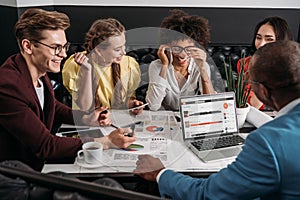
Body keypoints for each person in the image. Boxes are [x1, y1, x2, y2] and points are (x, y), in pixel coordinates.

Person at [134, 40, 300, 199]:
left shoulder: (267, 142)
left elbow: (206, 194)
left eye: (251, 82)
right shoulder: (158, 66)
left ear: (262, 91)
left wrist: (159, 173)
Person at [0, 8, 135, 171]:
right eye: (56, 47)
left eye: (64, 47)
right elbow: (46, 145)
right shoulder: (9, 86)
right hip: (18, 175)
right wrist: (106, 142)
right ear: (28, 46)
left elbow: (53, 107)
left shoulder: (38, 72)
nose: (63, 54)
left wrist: (85, 119)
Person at [62, 18, 144, 115]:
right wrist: (87, 71)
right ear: (99, 50)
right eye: (118, 49)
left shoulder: (129, 64)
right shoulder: (75, 66)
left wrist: (132, 104)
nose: (124, 52)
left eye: (124, 46)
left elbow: (127, 99)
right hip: (89, 122)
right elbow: (85, 108)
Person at [145, 9, 222, 111]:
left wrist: (202, 69)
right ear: (168, 46)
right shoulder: (156, 66)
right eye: (177, 48)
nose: (182, 55)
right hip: (166, 119)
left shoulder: (201, 66)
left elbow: (209, 104)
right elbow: (153, 106)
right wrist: (164, 66)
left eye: (188, 49)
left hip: (191, 117)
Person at [237, 16, 293, 110]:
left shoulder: (292, 67)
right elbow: (249, 105)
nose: (261, 44)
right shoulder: (245, 63)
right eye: (258, 38)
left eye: (269, 39)